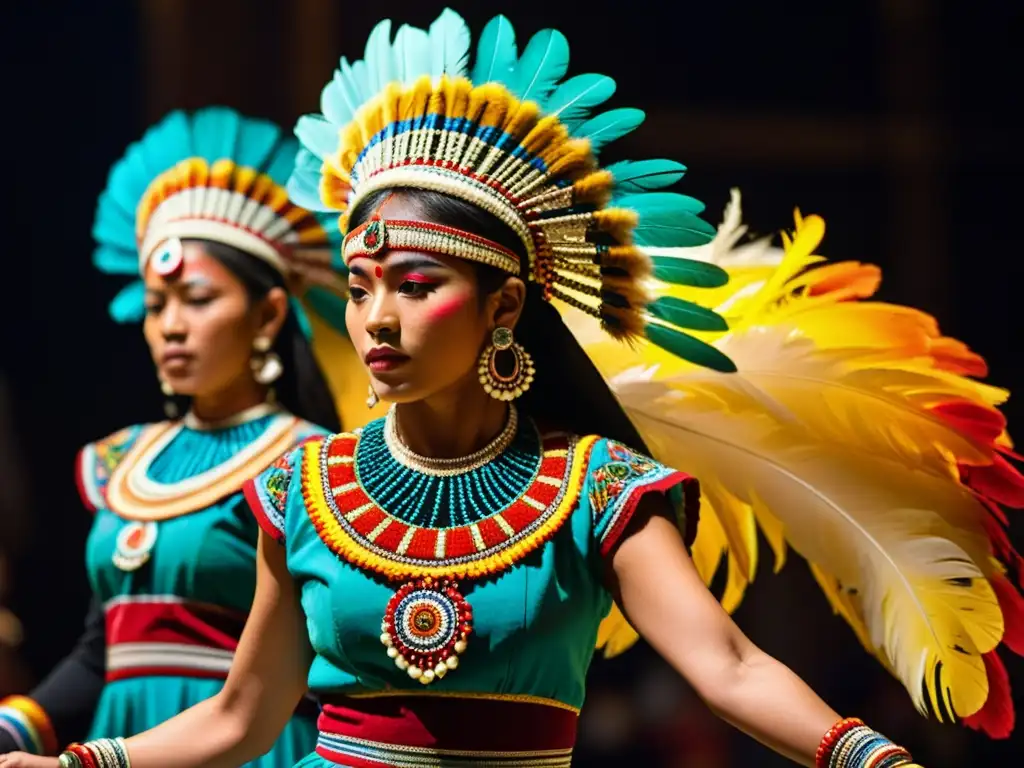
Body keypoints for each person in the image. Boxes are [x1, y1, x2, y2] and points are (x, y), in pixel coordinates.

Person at [4, 10, 1021, 768]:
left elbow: (730, 669)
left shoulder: (596, 492)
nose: (377, 320)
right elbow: (241, 718)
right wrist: (74, 764)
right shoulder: (302, 494)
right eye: (361, 289)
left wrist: (866, 758)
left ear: (502, 307)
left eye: (416, 285)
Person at [0, 106, 369, 765]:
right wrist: (15, 728)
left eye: (197, 300)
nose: (171, 325)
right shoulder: (121, 461)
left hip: (253, 744)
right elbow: (102, 652)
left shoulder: (311, 463)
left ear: (267, 314)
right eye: (155, 304)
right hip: (120, 745)